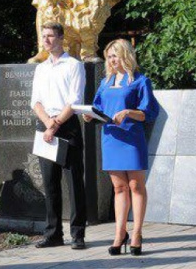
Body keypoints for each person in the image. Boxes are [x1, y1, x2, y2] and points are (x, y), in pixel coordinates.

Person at [84, 39, 158, 256]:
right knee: (118, 188)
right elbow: (98, 107)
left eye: (115, 55)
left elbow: (149, 112)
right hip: (110, 138)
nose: (111, 60)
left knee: (136, 186)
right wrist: (89, 115)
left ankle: (136, 233)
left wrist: (128, 112)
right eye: (109, 56)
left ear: (125, 55)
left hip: (132, 138)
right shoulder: (105, 82)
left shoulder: (140, 81)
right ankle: (119, 234)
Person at [29, 21, 87, 249]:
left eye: (51, 36)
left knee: (74, 182)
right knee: (50, 182)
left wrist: (55, 125)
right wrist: (47, 124)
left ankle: (78, 234)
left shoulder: (74, 65)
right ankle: (53, 234)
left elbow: (75, 100)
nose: (46, 40)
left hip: (67, 124)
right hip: (46, 125)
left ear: (61, 38)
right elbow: (35, 101)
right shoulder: (40, 68)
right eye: (44, 36)